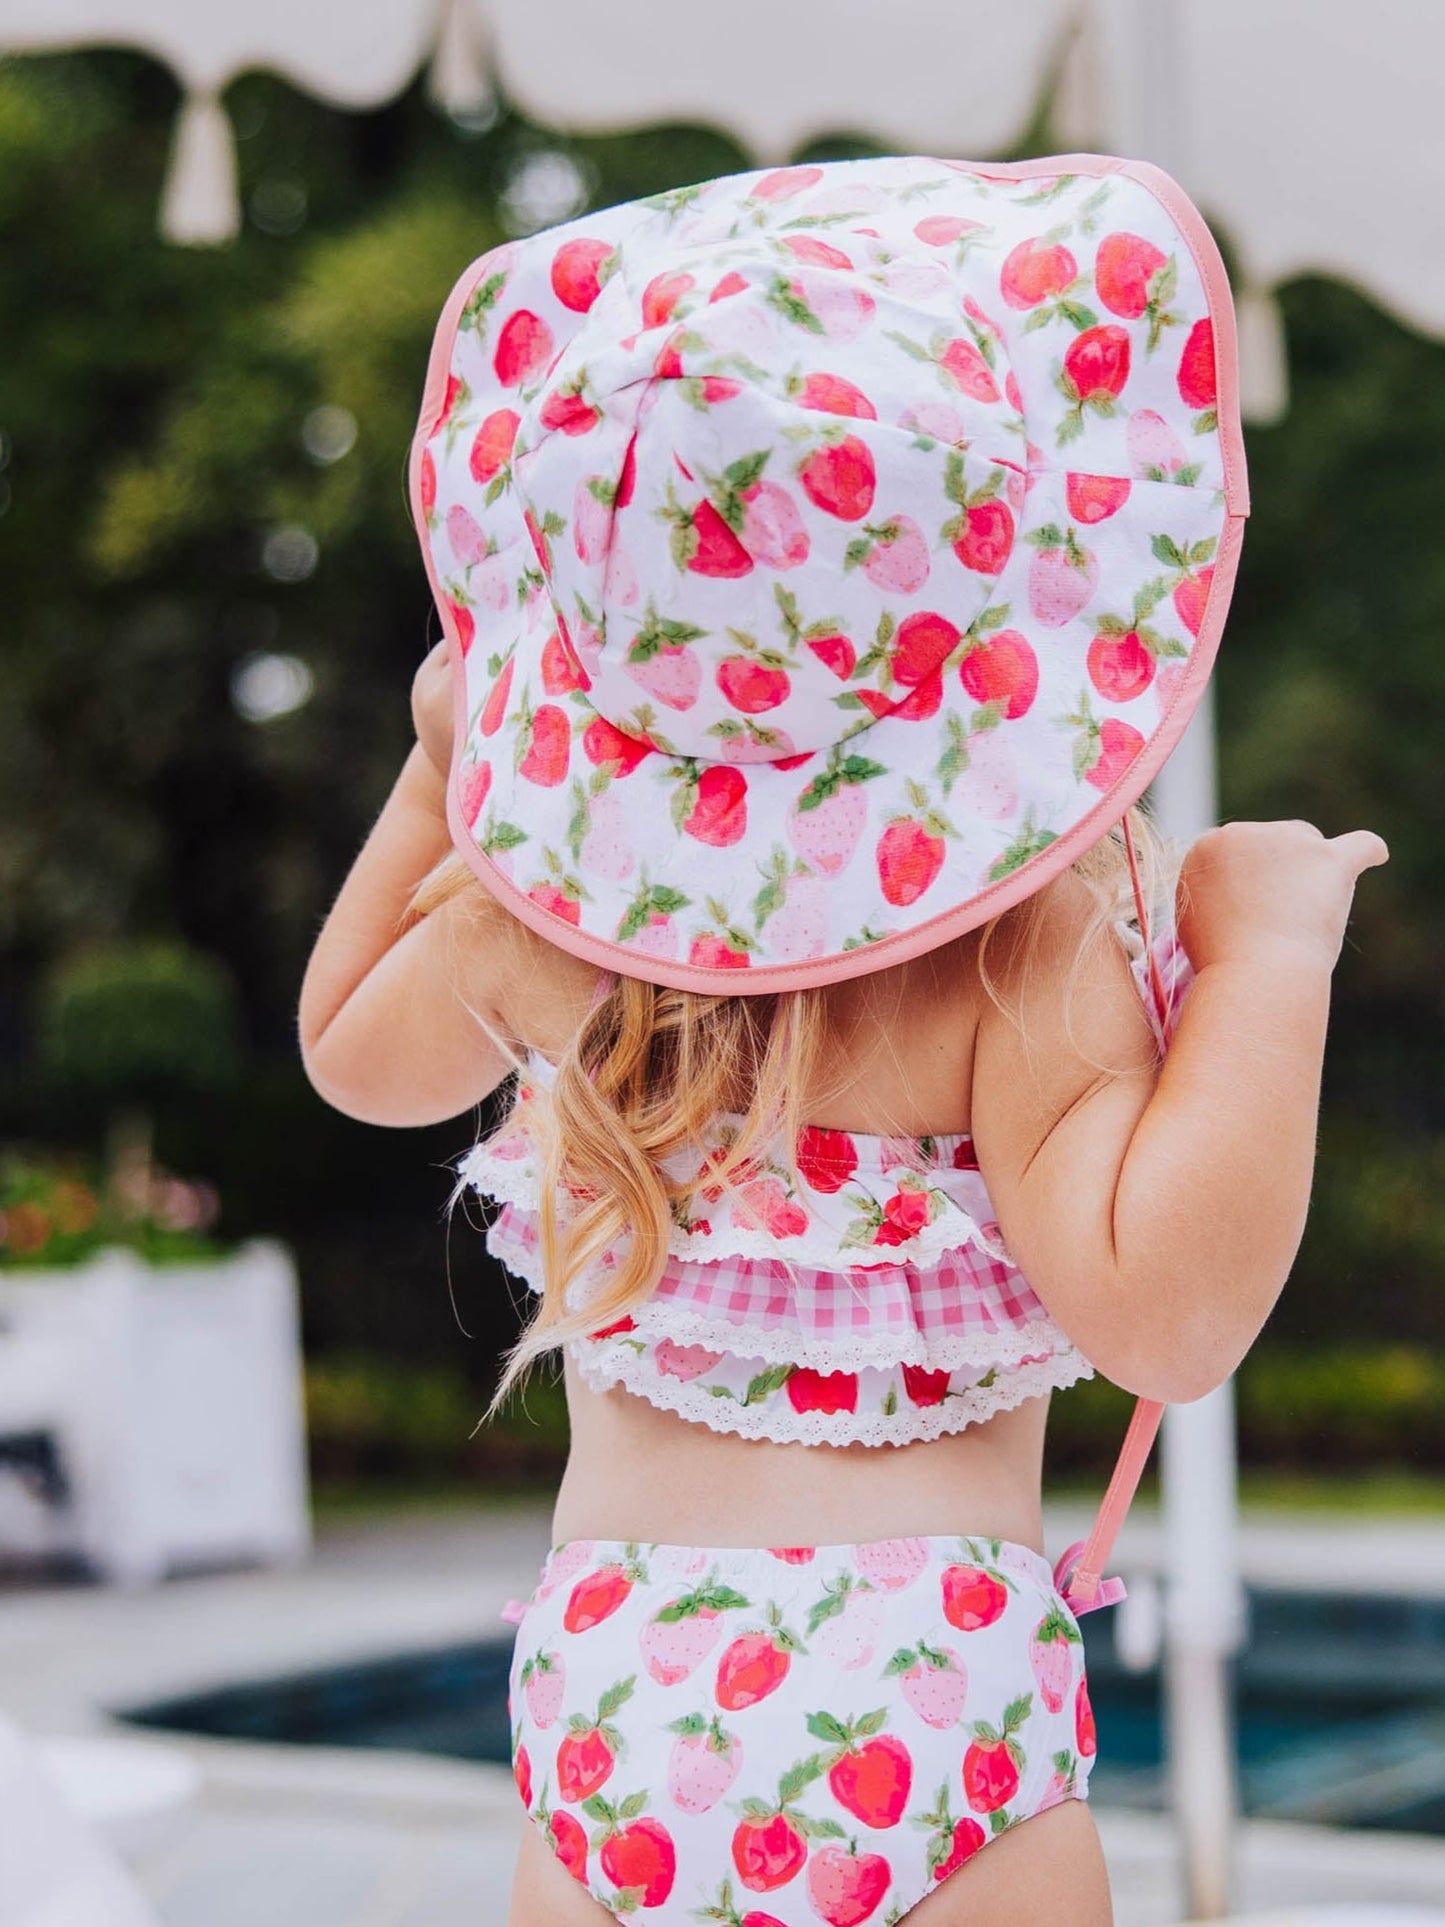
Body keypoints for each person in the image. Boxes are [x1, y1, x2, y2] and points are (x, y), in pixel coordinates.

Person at [299, 154, 1387, 1927]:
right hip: (929, 1682)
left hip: (617, 1700)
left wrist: (448, 783)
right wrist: (1266, 956)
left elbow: (356, 1054)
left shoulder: (557, 926)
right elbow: (1168, 1318)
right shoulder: (1016, 941)